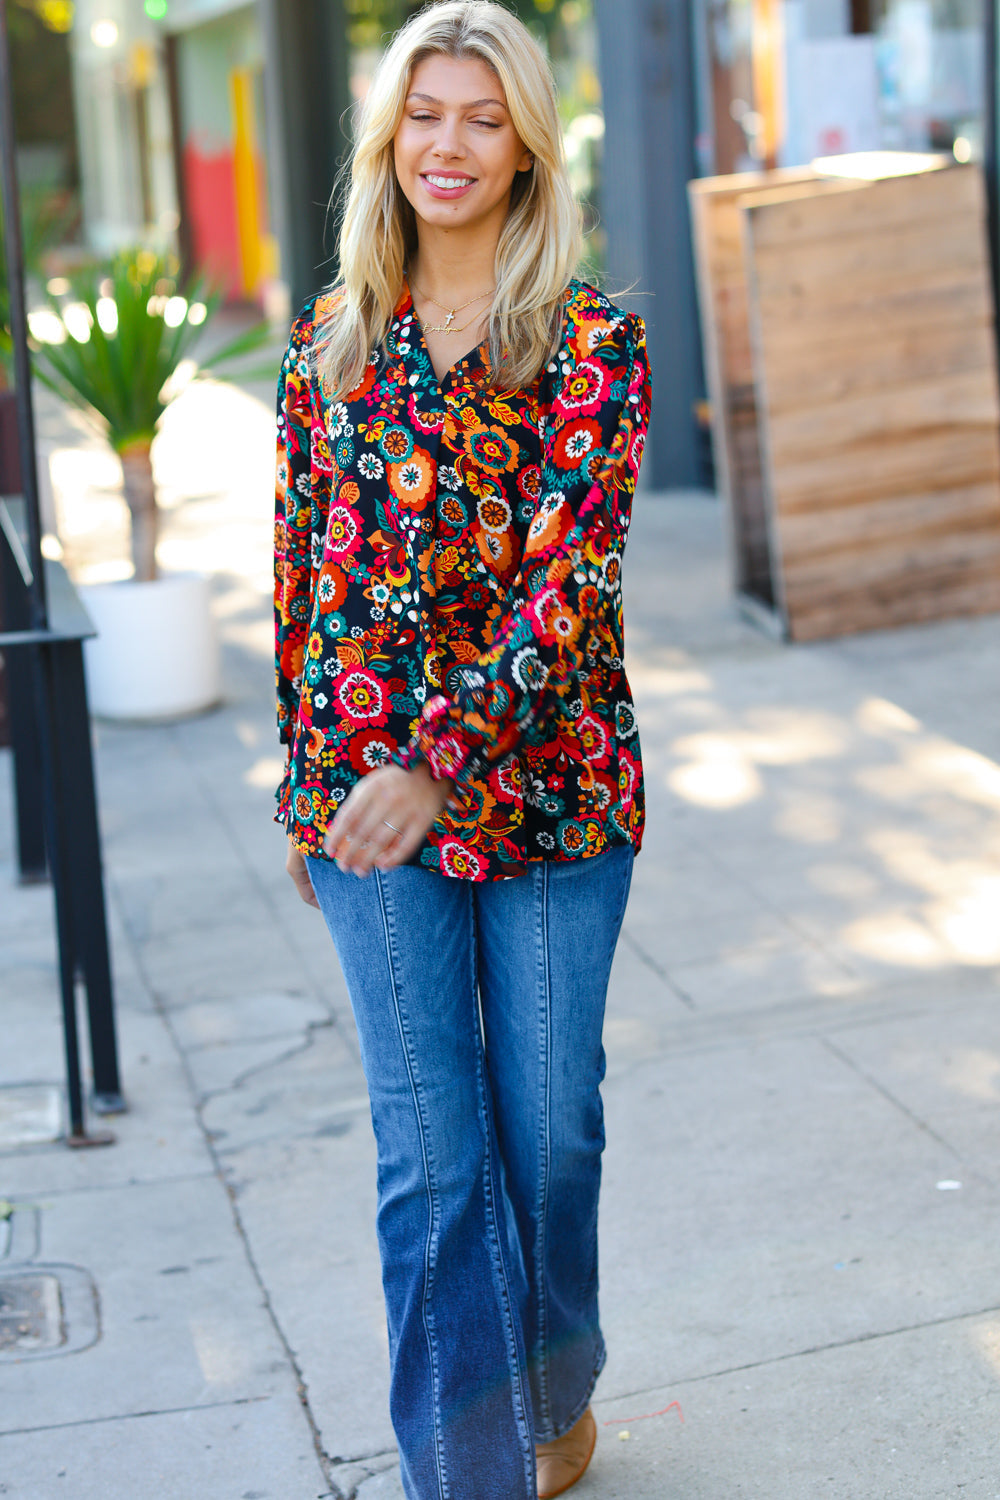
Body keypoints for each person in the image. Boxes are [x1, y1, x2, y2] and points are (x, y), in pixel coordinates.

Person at [274, 3, 651, 1496]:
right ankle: (466, 1468)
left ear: (527, 147)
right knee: (430, 1158)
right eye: (424, 113)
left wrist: (434, 759)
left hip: (552, 799)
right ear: (389, 136)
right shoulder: (327, 344)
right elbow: (301, 584)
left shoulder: (592, 341)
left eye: (482, 117)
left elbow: (570, 592)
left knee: (545, 1132)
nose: (448, 143)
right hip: (365, 819)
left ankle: (555, 1380)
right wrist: (302, 796)